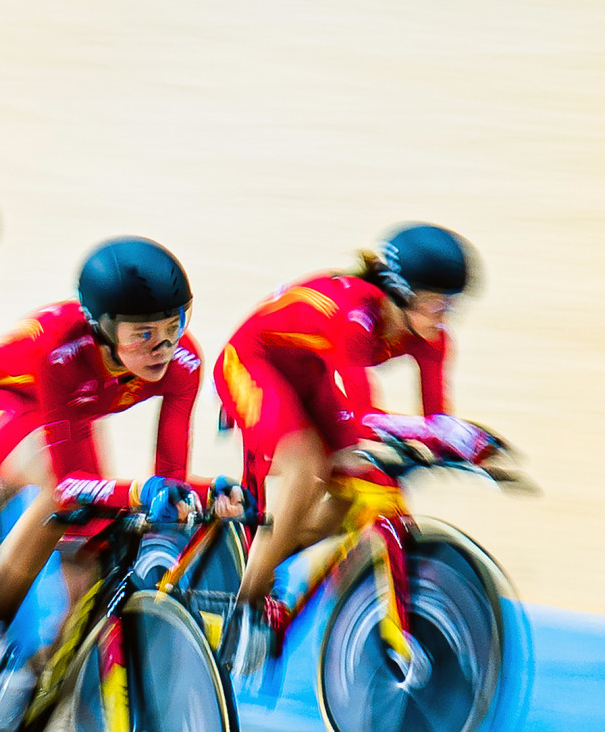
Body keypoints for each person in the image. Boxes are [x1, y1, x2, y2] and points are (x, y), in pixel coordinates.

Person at [0, 236, 244, 732]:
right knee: (62, 498)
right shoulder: (63, 351)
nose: (163, 346)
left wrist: (210, 493)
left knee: (92, 572)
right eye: (144, 334)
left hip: (64, 421)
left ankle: (38, 690)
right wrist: (141, 490)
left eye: (174, 326)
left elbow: (169, 471)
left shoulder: (184, 363)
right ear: (102, 327)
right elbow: (76, 486)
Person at [213, 222, 499, 675]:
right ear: (400, 292)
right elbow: (366, 415)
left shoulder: (433, 338)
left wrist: (468, 446)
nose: (444, 315)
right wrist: (442, 435)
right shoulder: (355, 313)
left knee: (357, 488)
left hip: (313, 377)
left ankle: (266, 548)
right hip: (253, 362)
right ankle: (246, 604)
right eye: (435, 302)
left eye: (451, 305)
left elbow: (436, 420)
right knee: (307, 467)